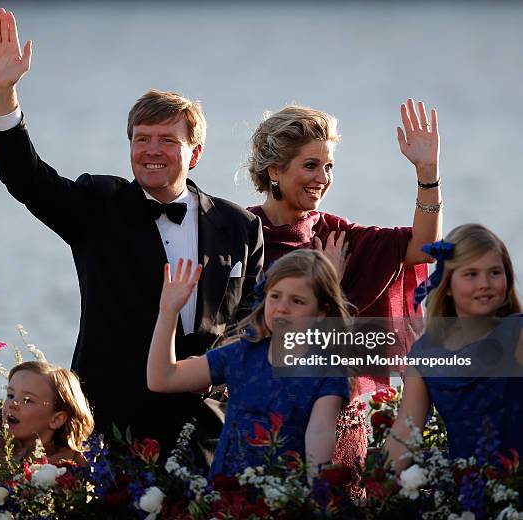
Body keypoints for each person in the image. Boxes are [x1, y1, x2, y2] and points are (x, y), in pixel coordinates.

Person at [0, 8, 263, 452]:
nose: (152, 151)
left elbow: (248, 319)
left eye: (168, 140)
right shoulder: (99, 204)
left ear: (196, 153)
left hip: (207, 425)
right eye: (141, 139)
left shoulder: (240, 225)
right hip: (111, 421)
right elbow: (26, 179)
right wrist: (4, 93)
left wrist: (211, 376)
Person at [147, 250, 350, 479]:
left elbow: (320, 434)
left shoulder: (327, 370)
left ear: (322, 312)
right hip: (227, 498)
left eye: (297, 300)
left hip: (285, 499)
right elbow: (162, 378)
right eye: (275, 296)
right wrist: (168, 312)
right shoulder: (241, 353)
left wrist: (314, 500)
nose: (282, 307)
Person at [246, 101, 441, 321]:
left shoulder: (337, 236)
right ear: (274, 170)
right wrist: (325, 282)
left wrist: (428, 173)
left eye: (329, 166)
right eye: (311, 165)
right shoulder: (237, 231)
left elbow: (426, 248)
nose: (323, 178)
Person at [385, 224, 523, 472]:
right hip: (468, 493)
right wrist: (380, 490)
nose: (485, 283)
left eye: (494, 272)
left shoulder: (517, 333)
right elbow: (405, 432)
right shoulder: (426, 353)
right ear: (447, 285)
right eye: (471, 274)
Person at [0, 361, 94, 466]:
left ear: (56, 419)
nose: (13, 404)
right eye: (10, 395)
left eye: (27, 400)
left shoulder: (73, 460)